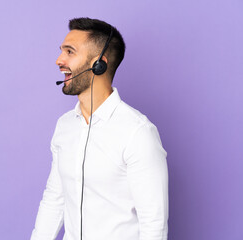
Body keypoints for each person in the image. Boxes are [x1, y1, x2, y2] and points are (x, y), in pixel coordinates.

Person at [31, 17, 168, 240]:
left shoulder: (138, 133)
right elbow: (55, 198)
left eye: (69, 51)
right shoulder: (64, 126)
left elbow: (154, 225)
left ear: (99, 64)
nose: (58, 60)